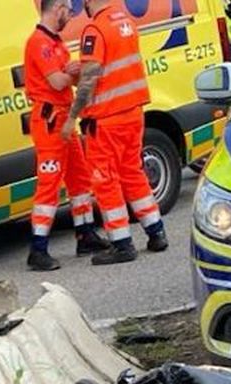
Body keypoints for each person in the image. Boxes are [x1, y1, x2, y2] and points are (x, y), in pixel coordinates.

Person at [65, 0, 168, 264]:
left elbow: (91, 79)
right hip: (133, 113)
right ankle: (156, 231)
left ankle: (122, 244)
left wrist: (73, 115)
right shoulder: (125, 22)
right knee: (132, 172)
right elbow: (115, 68)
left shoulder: (95, 29)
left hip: (106, 119)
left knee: (105, 180)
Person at [22, 0, 105, 271]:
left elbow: (68, 75)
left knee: (80, 178)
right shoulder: (39, 42)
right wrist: (71, 74)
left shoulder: (54, 42)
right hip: (49, 122)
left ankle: (85, 233)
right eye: (69, 10)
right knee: (49, 185)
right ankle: (38, 249)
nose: (70, 16)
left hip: (63, 117)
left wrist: (72, 72)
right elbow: (57, 81)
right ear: (56, 7)